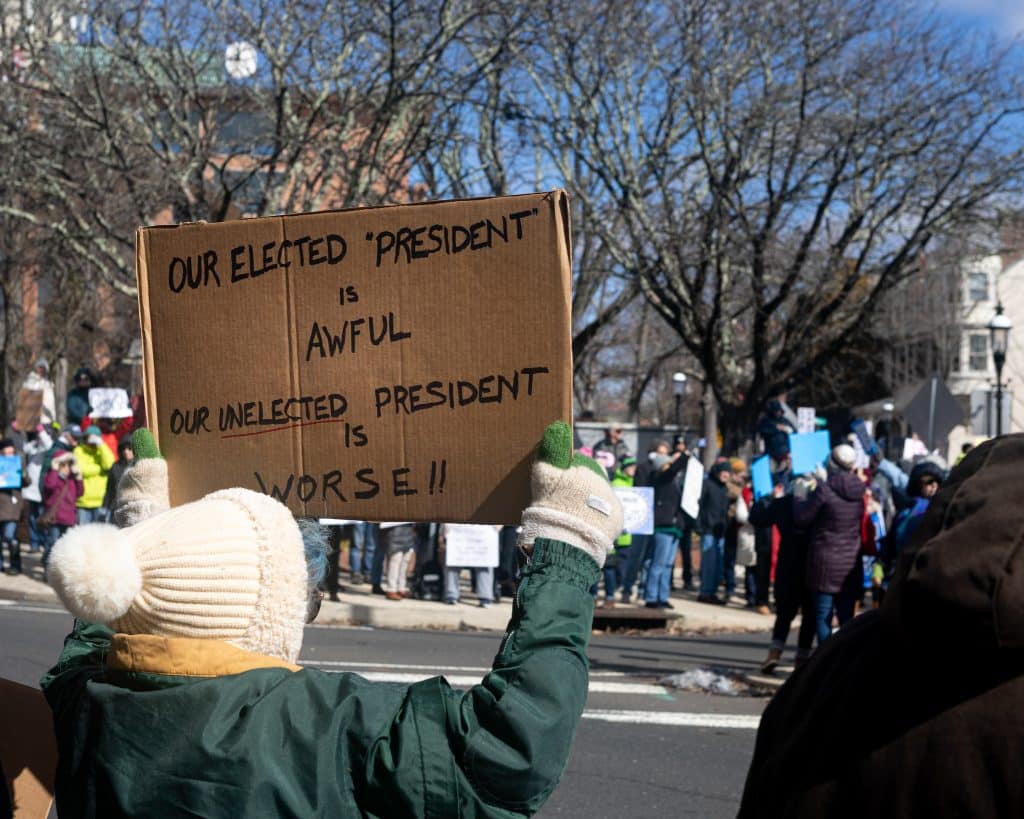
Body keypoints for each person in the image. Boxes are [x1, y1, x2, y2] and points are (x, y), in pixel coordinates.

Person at [42, 421, 623, 818]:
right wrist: (565, 550)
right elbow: (508, 753)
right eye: (301, 597)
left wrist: (144, 537)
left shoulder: (85, 705)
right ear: (259, 611)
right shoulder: (321, 724)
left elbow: (86, 646)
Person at [739, 436, 1024, 818]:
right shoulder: (862, 494)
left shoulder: (827, 670)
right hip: (846, 570)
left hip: (825, 573)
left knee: (820, 621)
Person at [794, 445, 866, 648]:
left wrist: (799, 496)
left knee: (822, 616)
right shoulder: (859, 492)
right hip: (850, 561)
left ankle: (826, 659)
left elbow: (802, 518)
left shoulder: (825, 490)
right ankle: (846, 663)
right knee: (846, 618)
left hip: (824, 560)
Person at [644, 439, 689, 609]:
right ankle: (651, 597)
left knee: (668, 565)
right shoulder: (660, 477)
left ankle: (663, 596)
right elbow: (674, 468)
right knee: (658, 563)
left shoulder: (673, 481)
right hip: (662, 525)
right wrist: (684, 455)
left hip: (674, 527)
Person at [40, 452, 83, 575]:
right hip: (55, 519)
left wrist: (79, 477)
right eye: (63, 465)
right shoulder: (52, 476)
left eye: (68, 465)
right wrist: (54, 470)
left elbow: (80, 493)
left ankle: (60, 571)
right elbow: (49, 486)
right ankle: (47, 567)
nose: (66, 468)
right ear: (57, 465)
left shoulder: (72, 479)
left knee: (67, 547)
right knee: (52, 544)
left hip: (69, 519)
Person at [697, 462, 733, 604]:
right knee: (709, 565)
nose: (726, 475)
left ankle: (712, 592)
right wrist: (699, 525)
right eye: (724, 471)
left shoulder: (724, 488)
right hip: (708, 530)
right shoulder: (707, 484)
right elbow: (699, 505)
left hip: (720, 532)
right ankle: (705, 592)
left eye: (728, 472)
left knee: (718, 567)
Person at [441, 523, 498, 608]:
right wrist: (446, 525)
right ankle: (451, 595)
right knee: (452, 561)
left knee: (485, 564)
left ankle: (485, 597)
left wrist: (499, 525)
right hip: (457, 528)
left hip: (484, 529)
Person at [72, 425, 115, 524]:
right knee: (83, 535)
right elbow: (81, 470)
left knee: (99, 536)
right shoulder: (78, 450)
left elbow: (109, 465)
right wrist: (100, 469)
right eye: (89, 437)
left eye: (94, 437)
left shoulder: (102, 451)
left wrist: (101, 445)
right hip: (83, 502)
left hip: (100, 501)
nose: (91, 440)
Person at [21, 423, 53, 554]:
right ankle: (34, 543)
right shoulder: (35, 445)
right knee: (32, 517)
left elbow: (48, 444)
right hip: (30, 489)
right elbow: (25, 448)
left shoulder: (48, 446)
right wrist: (35, 440)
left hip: (41, 489)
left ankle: (44, 542)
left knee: (42, 518)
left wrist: (41, 432)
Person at [0, 438, 25, 574]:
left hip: (12, 505)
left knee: (10, 536)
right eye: (6, 448)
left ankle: (15, 565)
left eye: (11, 447)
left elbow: (27, 482)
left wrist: (21, 475)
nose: (9, 450)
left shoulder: (18, 462)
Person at [381, 523, 418, 601]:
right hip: (395, 531)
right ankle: (391, 589)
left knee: (405, 561)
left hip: (408, 532)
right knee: (395, 560)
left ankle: (401, 588)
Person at [101, 437, 134, 514]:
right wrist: (104, 507)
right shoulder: (115, 467)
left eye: (129, 448)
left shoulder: (140, 465)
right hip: (117, 508)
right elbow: (109, 489)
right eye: (123, 449)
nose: (126, 451)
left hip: (134, 507)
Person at [21, 359, 57, 426]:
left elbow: (51, 406)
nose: (41, 370)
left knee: (54, 434)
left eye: (44, 368)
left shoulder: (48, 385)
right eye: (40, 367)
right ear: (35, 368)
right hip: (35, 422)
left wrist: (54, 422)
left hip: (49, 422)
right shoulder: (30, 382)